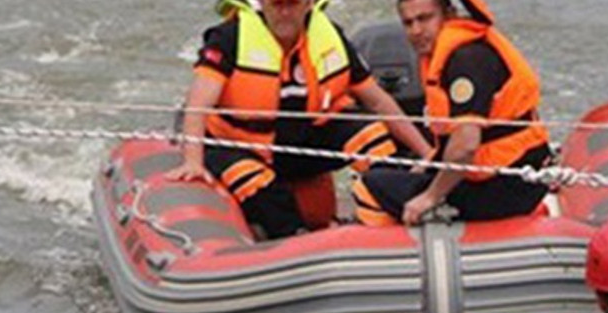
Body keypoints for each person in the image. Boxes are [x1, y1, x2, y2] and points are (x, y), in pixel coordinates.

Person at [166, 0, 434, 240]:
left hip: (302, 140)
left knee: (373, 134)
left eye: (291, 4)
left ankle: (387, 217)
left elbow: (378, 101)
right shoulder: (229, 38)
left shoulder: (330, 37)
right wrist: (192, 162)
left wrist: (426, 152)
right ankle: (296, 238)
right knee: (249, 177)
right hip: (240, 144)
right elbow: (198, 105)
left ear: (308, 4)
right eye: (276, 4)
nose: (284, 12)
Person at [353, 0, 552, 226]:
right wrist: (427, 165)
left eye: (425, 19)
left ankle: (401, 253)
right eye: (408, 23)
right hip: (512, 174)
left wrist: (430, 197)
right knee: (394, 170)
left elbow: (466, 146)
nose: (416, 31)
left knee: (369, 185)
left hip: (502, 186)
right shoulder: (455, 51)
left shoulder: (466, 60)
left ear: (449, 14)